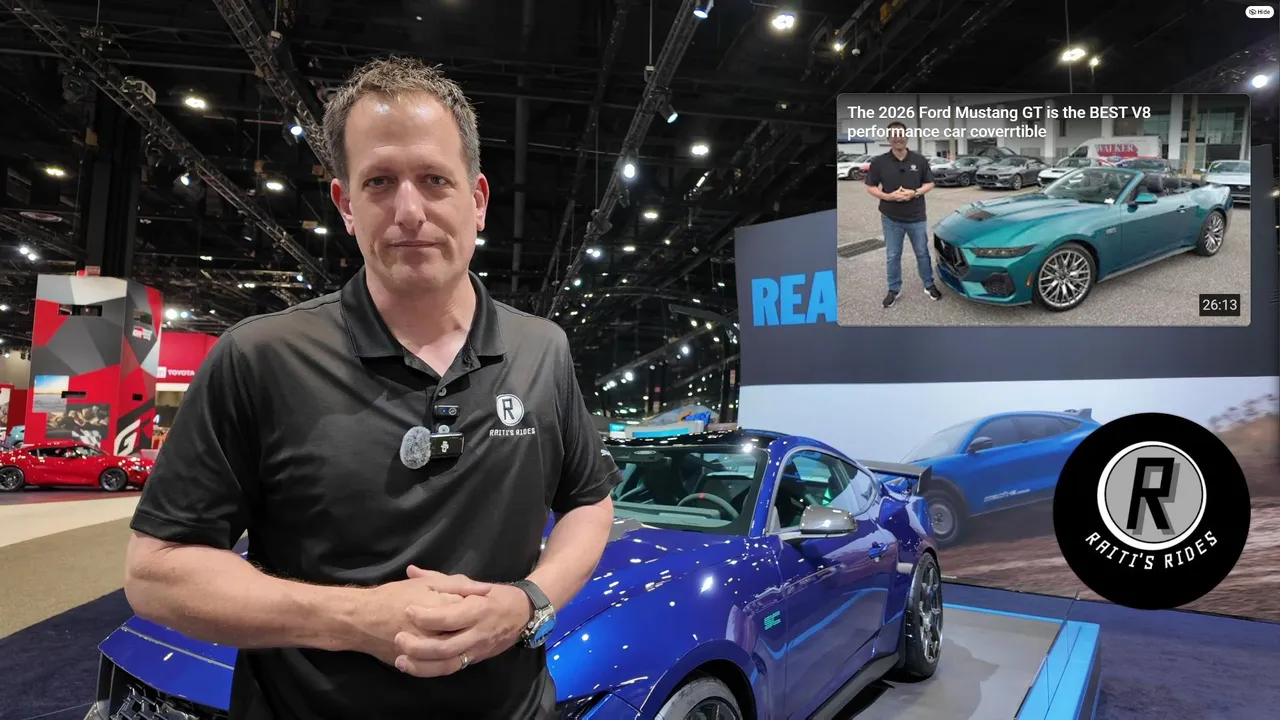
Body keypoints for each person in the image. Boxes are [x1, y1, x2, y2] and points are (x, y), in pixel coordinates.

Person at [122, 56, 619, 720]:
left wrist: (529, 601)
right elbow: (156, 572)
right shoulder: (260, 357)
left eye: (434, 180)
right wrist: (354, 620)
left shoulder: (543, 349)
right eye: (380, 182)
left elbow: (589, 501)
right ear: (346, 205)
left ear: (477, 201)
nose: (410, 211)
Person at [865, 121, 941, 308]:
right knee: (893, 255)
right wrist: (887, 196)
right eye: (893, 134)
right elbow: (870, 186)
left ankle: (929, 284)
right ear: (888, 138)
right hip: (890, 218)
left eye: (901, 134)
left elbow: (930, 183)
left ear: (906, 137)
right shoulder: (879, 162)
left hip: (916, 216)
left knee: (922, 252)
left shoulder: (919, 160)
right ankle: (894, 289)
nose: (897, 138)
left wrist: (914, 193)